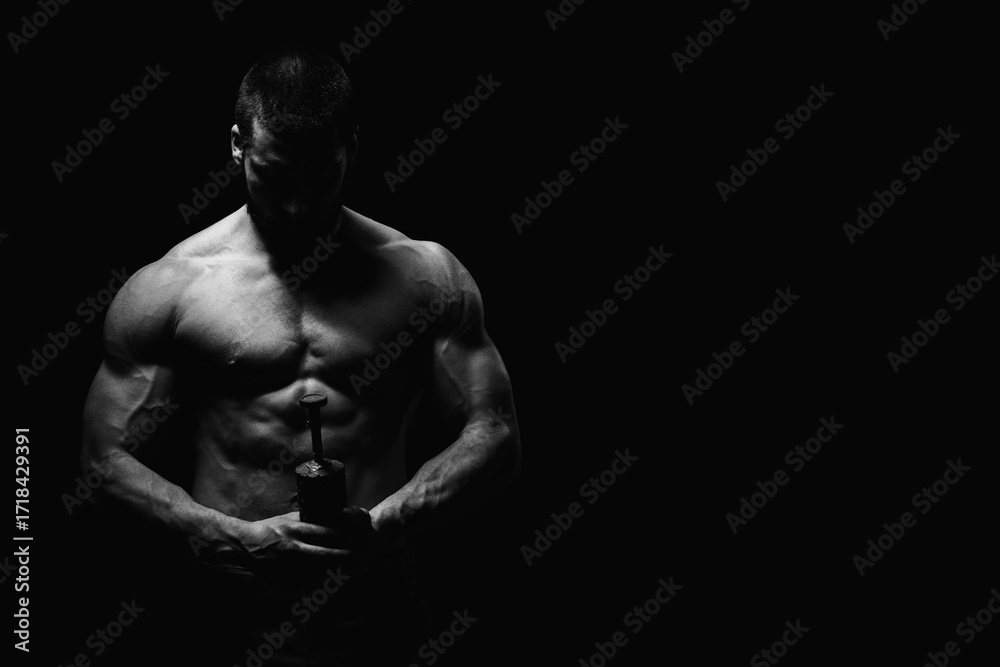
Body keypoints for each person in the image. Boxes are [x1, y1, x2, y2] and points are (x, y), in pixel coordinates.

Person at [80, 44, 520, 666]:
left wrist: (386, 525)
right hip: (232, 607)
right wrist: (228, 539)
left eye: (320, 178)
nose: (296, 204)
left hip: (377, 606)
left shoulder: (426, 276)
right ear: (237, 145)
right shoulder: (171, 287)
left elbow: (496, 435)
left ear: (353, 149)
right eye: (275, 175)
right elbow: (102, 462)